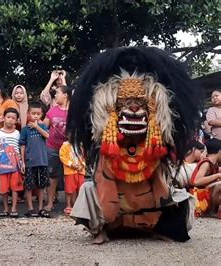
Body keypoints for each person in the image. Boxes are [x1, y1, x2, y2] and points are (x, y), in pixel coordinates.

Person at [67, 47, 199, 244]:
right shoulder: (108, 147)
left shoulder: (155, 145)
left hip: (148, 208)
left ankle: (162, 229)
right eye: (126, 103)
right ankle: (100, 229)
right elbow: (105, 186)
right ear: (111, 108)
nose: (134, 108)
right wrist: (109, 211)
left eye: (140, 103)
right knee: (87, 189)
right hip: (114, 210)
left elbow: (162, 192)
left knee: (183, 197)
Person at [42, 85, 71, 213]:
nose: (55, 95)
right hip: (52, 147)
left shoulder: (74, 111)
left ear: (65, 95)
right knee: (52, 175)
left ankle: (71, 204)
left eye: (58, 92)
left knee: (70, 175)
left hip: (70, 149)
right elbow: (44, 127)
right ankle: (49, 202)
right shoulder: (52, 110)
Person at [19, 102, 50, 218]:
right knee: (29, 185)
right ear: (28, 114)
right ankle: (30, 208)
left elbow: (47, 136)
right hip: (30, 162)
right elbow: (22, 145)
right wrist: (22, 161)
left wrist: (37, 126)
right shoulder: (25, 130)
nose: (36, 116)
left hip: (42, 161)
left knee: (42, 185)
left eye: (38, 114)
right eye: (33, 114)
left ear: (41, 115)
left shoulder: (42, 127)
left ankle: (41, 208)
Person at [0, 108, 23, 218]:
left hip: (15, 165)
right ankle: (5, 208)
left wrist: (21, 163)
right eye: (8, 117)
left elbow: (19, 149)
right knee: (4, 188)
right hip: (2, 164)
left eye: (13, 118)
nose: (10, 120)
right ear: (3, 118)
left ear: (16, 121)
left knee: (15, 187)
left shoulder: (17, 133)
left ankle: (14, 208)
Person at [189, 138, 221, 218]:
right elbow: (196, 181)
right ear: (219, 151)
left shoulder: (214, 165)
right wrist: (217, 175)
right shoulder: (206, 163)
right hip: (199, 198)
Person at [59, 141, 85, 215]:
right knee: (69, 189)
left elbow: (84, 156)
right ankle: (68, 205)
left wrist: (82, 165)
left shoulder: (80, 145)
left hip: (80, 170)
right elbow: (62, 156)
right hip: (69, 171)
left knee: (80, 189)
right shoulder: (65, 145)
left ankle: (78, 205)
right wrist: (71, 164)